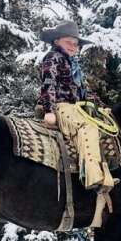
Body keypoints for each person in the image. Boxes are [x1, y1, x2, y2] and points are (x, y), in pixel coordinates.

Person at [37, 20, 115, 192]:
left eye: (76, 44)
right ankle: (92, 176)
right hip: (61, 106)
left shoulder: (74, 65)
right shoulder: (53, 58)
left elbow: (85, 92)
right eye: (68, 42)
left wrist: (101, 106)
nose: (73, 46)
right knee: (87, 127)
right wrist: (49, 110)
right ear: (56, 41)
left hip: (78, 107)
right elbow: (48, 84)